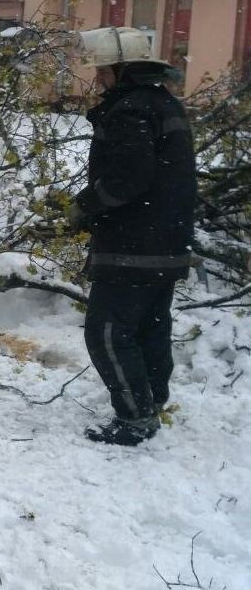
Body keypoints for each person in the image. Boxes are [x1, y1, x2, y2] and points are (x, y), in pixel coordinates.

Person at [67, 27, 196, 447]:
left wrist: (85, 205)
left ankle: (135, 417)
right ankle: (151, 402)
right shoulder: (164, 104)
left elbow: (129, 178)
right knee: (149, 327)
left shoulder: (130, 110)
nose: (99, 77)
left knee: (106, 330)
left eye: (103, 69)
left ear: (121, 69)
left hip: (133, 246)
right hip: (166, 241)